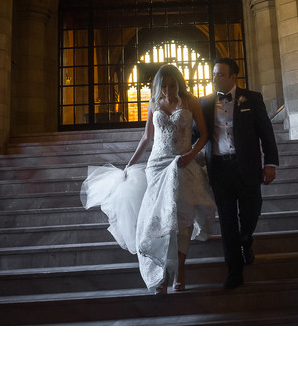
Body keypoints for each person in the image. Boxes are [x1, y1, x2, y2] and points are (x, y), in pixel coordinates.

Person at [81, 64, 215, 295]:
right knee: (157, 220)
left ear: (179, 84)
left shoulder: (191, 102)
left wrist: (191, 155)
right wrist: (130, 164)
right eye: (163, 86)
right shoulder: (153, 103)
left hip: (182, 164)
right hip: (157, 166)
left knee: (182, 218)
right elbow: (146, 138)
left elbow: (204, 135)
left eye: (172, 85)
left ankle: (180, 270)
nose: (168, 90)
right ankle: (161, 274)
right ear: (158, 86)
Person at [199, 58, 278, 290]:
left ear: (234, 77)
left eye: (220, 74)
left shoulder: (252, 99)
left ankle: (246, 239)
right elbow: (196, 133)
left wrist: (270, 163)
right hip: (220, 170)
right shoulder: (204, 103)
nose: (214, 78)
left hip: (248, 167)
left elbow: (266, 132)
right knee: (227, 221)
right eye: (213, 74)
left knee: (251, 212)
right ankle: (234, 272)